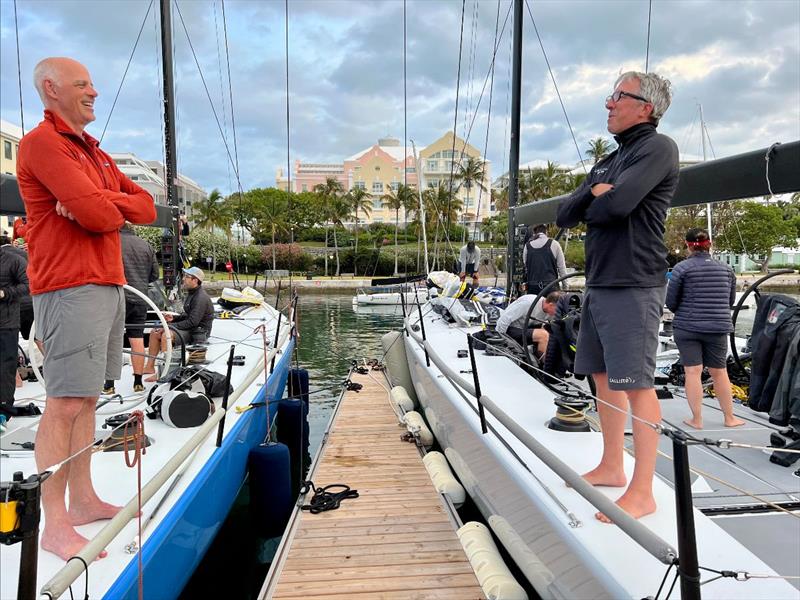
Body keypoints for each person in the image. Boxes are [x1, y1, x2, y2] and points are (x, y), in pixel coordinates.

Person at [17, 56, 156, 560]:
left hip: (105, 284)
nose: (93, 91)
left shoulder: (93, 153)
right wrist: (101, 204)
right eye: (83, 84)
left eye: (94, 83)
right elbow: (100, 218)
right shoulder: (42, 144)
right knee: (65, 403)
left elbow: (146, 206)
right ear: (52, 89)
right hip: (70, 286)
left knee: (90, 399)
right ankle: (54, 525)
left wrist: (96, 199)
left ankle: (83, 499)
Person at [556, 71, 679, 523]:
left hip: (635, 282)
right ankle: (611, 465)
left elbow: (618, 206)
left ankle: (642, 490)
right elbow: (566, 214)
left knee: (638, 384)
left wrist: (599, 198)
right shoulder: (610, 160)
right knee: (602, 378)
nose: (609, 104)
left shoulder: (657, 148)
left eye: (618, 97)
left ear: (644, 107)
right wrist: (594, 190)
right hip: (601, 281)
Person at [666, 228, 746, 430]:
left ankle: (697, 420)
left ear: (688, 245)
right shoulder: (726, 269)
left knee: (692, 371)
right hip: (717, 326)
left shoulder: (681, 269)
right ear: (709, 244)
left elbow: (671, 302)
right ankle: (729, 418)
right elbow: (729, 301)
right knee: (720, 372)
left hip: (687, 326)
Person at [103, 224, 159, 395]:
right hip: (140, 298)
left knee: (112, 339)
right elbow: (155, 275)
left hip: (116, 297)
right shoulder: (146, 246)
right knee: (137, 339)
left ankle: (109, 384)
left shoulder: (110, 242)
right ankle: (138, 382)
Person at [144, 267, 214, 381]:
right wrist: (174, 318)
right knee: (154, 332)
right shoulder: (192, 293)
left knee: (166, 335)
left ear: (195, 280)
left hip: (198, 333)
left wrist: (168, 327)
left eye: (186, 277)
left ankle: (165, 371)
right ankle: (149, 367)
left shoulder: (200, 297)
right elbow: (189, 315)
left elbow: (193, 322)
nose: (183, 279)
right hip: (191, 328)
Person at [0, 234, 30, 417]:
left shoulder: (13, 260)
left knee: (5, 366)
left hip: (6, 323)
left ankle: (4, 409)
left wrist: (4, 293)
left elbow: (28, 284)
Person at [496, 291, 561, 355]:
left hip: (525, 328)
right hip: (510, 329)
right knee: (543, 335)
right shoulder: (528, 303)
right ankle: (544, 364)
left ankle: (538, 356)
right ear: (551, 305)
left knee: (548, 331)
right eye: (558, 310)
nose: (558, 313)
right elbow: (504, 320)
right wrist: (500, 340)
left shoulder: (549, 311)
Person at [522, 224, 567, 294]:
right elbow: (562, 269)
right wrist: (565, 287)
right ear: (546, 232)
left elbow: (526, 266)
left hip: (533, 288)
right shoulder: (555, 244)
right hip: (551, 288)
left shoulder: (527, 246)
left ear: (534, 233)